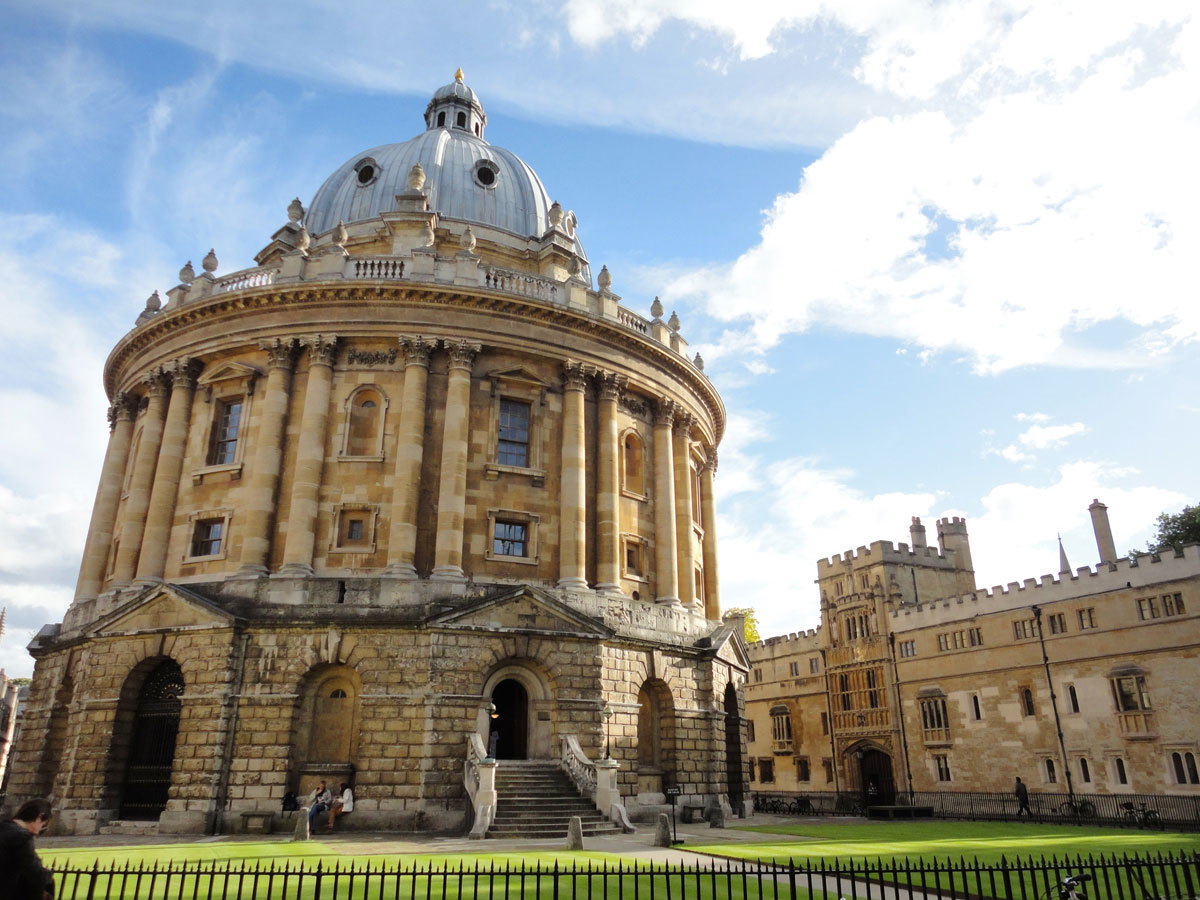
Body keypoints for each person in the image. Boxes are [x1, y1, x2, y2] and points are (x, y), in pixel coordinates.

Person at [0, 798, 56, 900]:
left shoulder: (3, 828)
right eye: (43, 825)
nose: (40, 830)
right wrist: (47, 873)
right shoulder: (21, 837)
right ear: (39, 817)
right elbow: (36, 874)